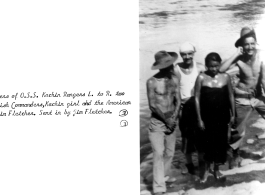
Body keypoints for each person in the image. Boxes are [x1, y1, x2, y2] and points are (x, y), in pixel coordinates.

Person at [219, 27, 265, 168]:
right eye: (246, 44)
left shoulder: (261, 56)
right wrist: (235, 54)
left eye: (252, 43)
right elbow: (221, 70)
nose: (250, 47)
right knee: (237, 131)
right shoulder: (238, 61)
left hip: (258, 97)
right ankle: (235, 155)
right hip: (242, 98)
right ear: (241, 46)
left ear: (256, 43)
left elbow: (263, 80)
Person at [195, 52, 235, 183]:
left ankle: (217, 168)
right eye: (211, 66)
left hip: (222, 116)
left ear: (220, 64)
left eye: (216, 66)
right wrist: (199, 118)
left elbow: (230, 96)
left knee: (220, 143)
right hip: (207, 117)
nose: (214, 69)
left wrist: (233, 114)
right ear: (206, 65)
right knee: (207, 144)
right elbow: (196, 99)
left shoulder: (226, 77)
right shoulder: (201, 77)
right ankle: (206, 169)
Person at [147, 50, 181, 195]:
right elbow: (152, 105)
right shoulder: (152, 81)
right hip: (157, 121)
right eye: (167, 65)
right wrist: (166, 120)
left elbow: (178, 100)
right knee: (158, 153)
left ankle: (164, 176)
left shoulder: (174, 79)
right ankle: (158, 188)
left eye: (170, 64)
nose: (170, 67)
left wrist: (174, 117)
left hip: (172, 119)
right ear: (160, 66)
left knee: (170, 152)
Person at [174, 42, 205, 176]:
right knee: (186, 137)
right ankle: (188, 164)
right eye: (184, 54)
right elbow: (175, 91)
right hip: (184, 107)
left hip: (198, 106)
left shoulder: (200, 68)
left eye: (189, 54)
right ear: (181, 55)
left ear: (194, 53)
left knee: (201, 136)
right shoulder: (176, 69)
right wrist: (177, 111)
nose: (187, 57)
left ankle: (201, 163)